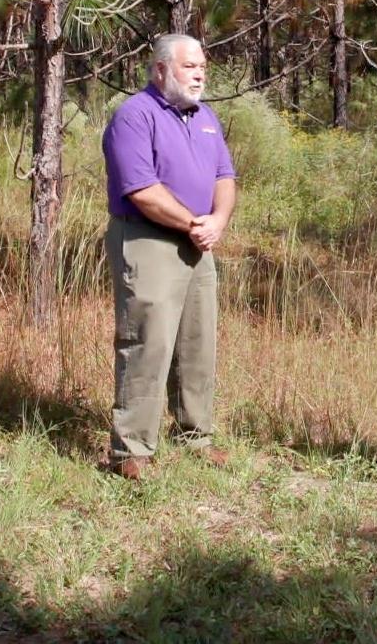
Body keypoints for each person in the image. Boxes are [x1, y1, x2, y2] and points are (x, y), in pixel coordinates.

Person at [99, 34, 238, 479]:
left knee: (197, 343)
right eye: (189, 66)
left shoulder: (205, 117)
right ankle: (131, 451)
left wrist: (217, 219)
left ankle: (195, 436)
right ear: (160, 70)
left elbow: (224, 176)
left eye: (202, 66)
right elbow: (142, 191)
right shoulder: (134, 117)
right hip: (148, 239)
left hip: (198, 242)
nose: (199, 74)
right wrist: (195, 224)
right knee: (148, 341)